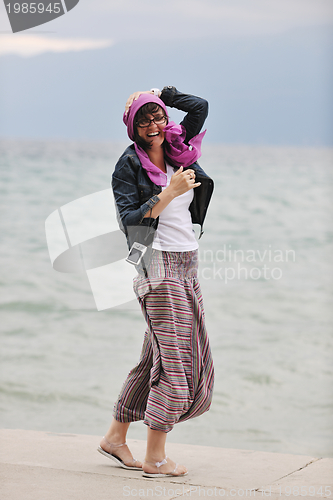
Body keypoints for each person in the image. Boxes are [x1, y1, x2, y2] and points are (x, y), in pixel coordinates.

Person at [98, 86, 214, 478]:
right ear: (132, 127)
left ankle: (115, 438)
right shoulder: (128, 165)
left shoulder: (181, 151)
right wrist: (168, 192)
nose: (153, 125)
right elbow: (131, 218)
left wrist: (163, 94)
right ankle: (156, 457)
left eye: (158, 116)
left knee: (154, 356)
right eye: (144, 120)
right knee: (175, 359)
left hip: (187, 260)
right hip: (156, 265)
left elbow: (200, 106)